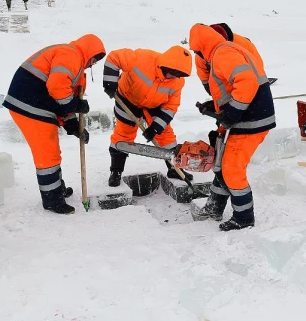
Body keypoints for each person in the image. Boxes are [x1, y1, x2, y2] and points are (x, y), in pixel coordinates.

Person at [3, 34, 106, 214]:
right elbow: (57, 88)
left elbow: (62, 102)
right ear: (88, 51)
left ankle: (56, 190)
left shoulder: (77, 69)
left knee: (52, 152)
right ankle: (52, 200)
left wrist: (73, 126)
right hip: (29, 104)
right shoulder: (70, 54)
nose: (93, 64)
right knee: (47, 153)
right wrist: (75, 105)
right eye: (94, 58)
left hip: (38, 104)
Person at [189, 23, 276, 231]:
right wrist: (216, 106)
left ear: (202, 45)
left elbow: (247, 82)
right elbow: (233, 86)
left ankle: (244, 217)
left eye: (197, 50)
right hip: (246, 118)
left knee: (232, 168)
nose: (198, 55)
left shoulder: (223, 53)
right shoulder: (225, 51)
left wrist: (233, 112)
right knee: (222, 163)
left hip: (251, 120)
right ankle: (215, 207)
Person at [102, 45, 193, 187]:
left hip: (154, 104)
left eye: (179, 75)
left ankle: (175, 168)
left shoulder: (177, 82)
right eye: (173, 73)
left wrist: (156, 128)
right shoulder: (141, 58)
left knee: (166, 136)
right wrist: (109, 83)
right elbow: (114, 58)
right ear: (166, 66)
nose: (175, 77)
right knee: (123, 134)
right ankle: (116, 171)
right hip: (127, 98)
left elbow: (171, 107)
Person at [195, 23, 264, 96]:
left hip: (247, 77)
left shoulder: (242, 44)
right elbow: (202, 71)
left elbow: (257, 65)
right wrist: (212, 91)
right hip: (220, 76)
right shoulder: (202, 50)